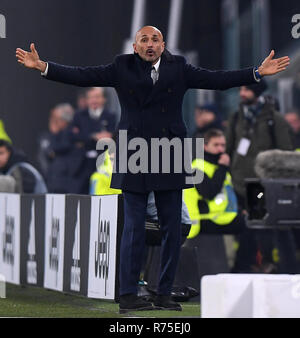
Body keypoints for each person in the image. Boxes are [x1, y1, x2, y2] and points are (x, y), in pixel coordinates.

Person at [16, 25, 290, 313]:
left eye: (155, 39)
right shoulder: (122, 66)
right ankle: (129, 295)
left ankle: (163, 293)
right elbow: (84, 76)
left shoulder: (180, 67)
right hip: (134, 154)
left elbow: (216, 79)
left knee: (172, 228)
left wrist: (255, 73)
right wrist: (44, 67)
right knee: (133, 228)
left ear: (163, 44)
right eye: (144, 40)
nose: (149, 44)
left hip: (170, 154)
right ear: (135, 47)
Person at [226, 81, 294, 205]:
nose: (242, 93)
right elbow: (228, 147)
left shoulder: (274, 119)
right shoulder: (236, 117)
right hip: (237, 182)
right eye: (240, 90)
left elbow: (285, 152)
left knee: (259, 218)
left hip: (264, 182)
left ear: (256, 92)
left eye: (246, 90)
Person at [67, 87, 117, 194]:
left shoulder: (111, 116)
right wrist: (93, 136)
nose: (94, 100)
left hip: (102, 164)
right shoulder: (79, 115)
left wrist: (84, 138)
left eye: (97, 97)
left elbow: (111, 137)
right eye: (91, 97)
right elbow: (72, 137)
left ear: (104, 99)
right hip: (81, 166)